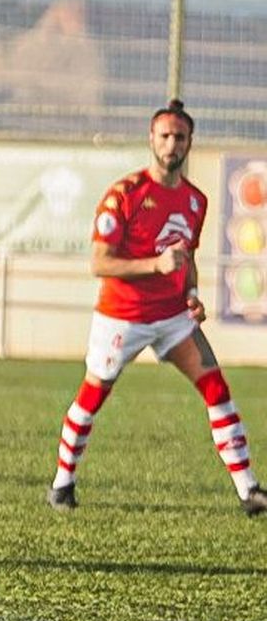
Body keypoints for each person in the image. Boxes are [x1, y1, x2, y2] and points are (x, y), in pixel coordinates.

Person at [48, 100, 267, 516]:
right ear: (151, 140)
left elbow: (187, 258)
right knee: (93, 396)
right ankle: (62, 483)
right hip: (122, 317)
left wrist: (192, 295)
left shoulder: (195, 201)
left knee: (216, 388)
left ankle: (249, 491)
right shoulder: (125, 195)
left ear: (189, 143)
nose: (172, 144)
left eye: (179, 137)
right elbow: (100, 262)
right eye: (164, 136)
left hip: (172, 318)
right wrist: (154, 264)